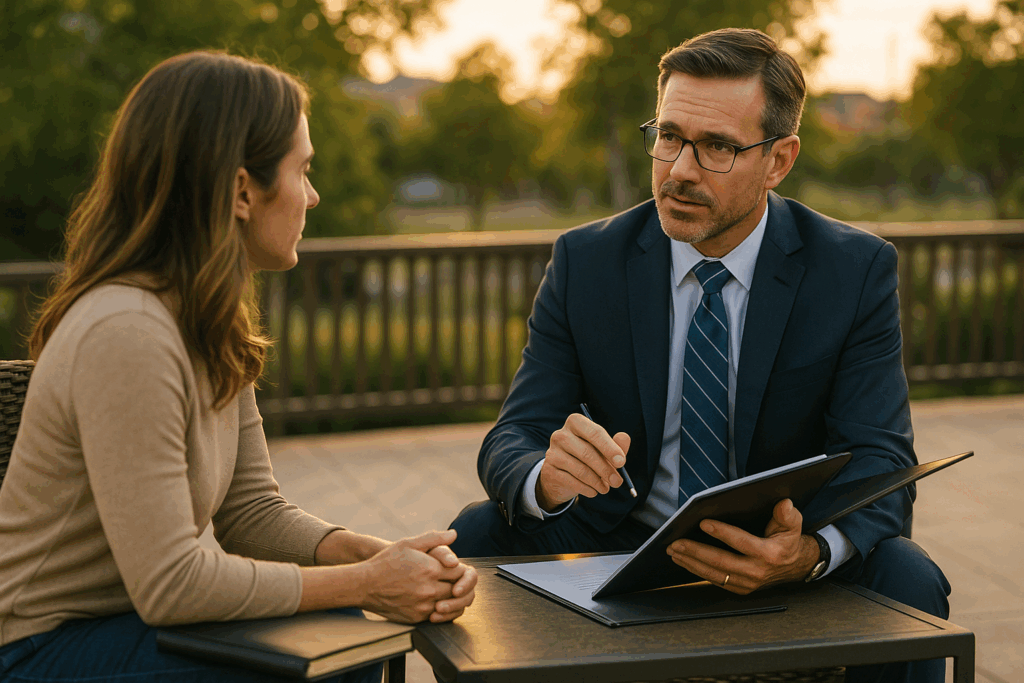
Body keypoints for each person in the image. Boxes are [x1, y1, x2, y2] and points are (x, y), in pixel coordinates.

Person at [448, 28, 949, 683]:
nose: (680, 169)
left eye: (716, 146)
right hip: (622, 546)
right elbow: (511, 437)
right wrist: (546, 476)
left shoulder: (851, 270)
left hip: (775, 552)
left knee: (908, 576)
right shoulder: (587, 261)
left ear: (779, 159)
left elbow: (884, 460)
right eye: (669, 137)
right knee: (474, 535)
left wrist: (805, 553)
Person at [0, 51, 476, 683]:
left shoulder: (204, 319)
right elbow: (172, 584)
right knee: (336, 660)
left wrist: (378, 555)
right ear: (241, 191)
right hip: (44, 647)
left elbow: (250, 511)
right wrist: (365, 584)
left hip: (130, 625)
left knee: (344, 648)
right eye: (302, 169)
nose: (313, 194)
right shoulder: (126, 332)